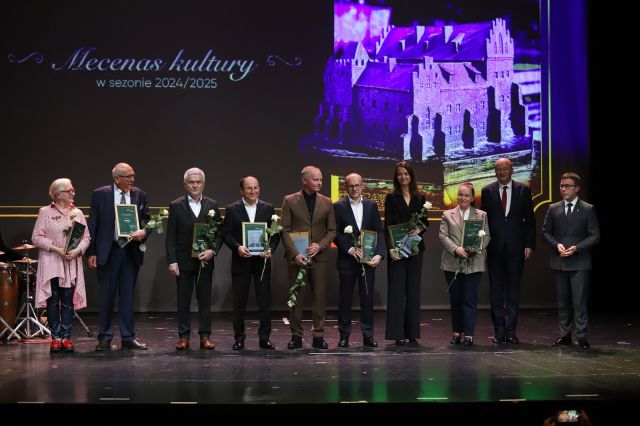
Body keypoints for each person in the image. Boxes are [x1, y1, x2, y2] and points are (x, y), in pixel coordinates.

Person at [87, 162, 150, 351]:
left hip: (130, 252)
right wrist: (92, 251)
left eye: (133, 176)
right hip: (109, 251)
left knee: (128, 297)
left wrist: (144, 232)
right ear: (116, 178)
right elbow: (93, 224)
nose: (132, 179)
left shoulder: (140, 194)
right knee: (106, 297)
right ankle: (105, 338)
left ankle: (128, 337)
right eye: (128, 176)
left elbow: (147, 220)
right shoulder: (100, 194)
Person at [480, 157, 536, 344]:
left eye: (505, 169)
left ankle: (511, 331)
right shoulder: (487, 191)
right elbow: (483, 221)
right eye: (498, 169)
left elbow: (530, 220)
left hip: (516, 248)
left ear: (512, 170)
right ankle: (499, 331)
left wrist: (529, 244)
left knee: (513, 291)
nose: (501, 172)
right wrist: (483, 245)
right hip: (494, 248)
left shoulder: (523, 190)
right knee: (496, 292)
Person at [542, 173, 600, 349]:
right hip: (560, 261)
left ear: (577, 188)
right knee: (563, 302)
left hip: (579, 262)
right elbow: (545, 231)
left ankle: (582, 336)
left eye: (567, 186)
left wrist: (577, 247)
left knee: (579, 301)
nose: (563, 189)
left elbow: (595, 235)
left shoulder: (588, 209)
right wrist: (556, 245)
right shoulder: (554, 208)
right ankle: (565, 335)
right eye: (561, 185)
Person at [281, 165, 336, 350]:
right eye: (315, 179)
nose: (319, 182)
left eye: (321, 179)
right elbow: (284, 230)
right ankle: (296, 336)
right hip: (298, 257)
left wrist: (320, 245)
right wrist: (294, 253)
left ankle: (318, 335)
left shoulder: (327, 202)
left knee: (319, 297)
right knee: (296, 297)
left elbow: (332, 230)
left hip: (318, 257)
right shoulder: (290, 200)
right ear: (304, 180)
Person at [31, 178, 90, 353]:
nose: (73, 193)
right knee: (52, 300)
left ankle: (66, 337)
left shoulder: (77, 213)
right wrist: (57, 249)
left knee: (68, 301)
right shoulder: (45, 212)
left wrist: (77, 250)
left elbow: (86, 237)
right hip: (52, 261)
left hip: (70, 262)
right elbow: (36, 237)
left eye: (73, 190)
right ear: (57, 194)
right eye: (69, 191)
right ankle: (56, 337)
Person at [166, 168, 220, 350]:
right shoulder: (176, 205)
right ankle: (183, 336)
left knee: (205, 300)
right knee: (183, 301)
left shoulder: (212, 205)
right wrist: (172, 260)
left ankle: (205, 336)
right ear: (185, 184)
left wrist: (213, 251)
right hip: (183, 261)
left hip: (205, 260)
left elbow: (218, 234)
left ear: (203, 184)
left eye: (198, 182)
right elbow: (171, 237)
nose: (195, 185)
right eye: (191, 182)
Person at [222, 176, 279, 350]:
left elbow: (275, 234)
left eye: (256, 187)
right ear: (242, 191)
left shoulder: (268, 208)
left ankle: (264, 339)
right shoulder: (232, 209)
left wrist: (270, 249)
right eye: (249, 188)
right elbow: (226, 234)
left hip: (262, 261)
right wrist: (237, 247)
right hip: (241, 261)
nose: (253, 191)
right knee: (239, 302)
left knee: (265, 302)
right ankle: (239, 338)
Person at [333, 173, 385, 348]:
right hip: (347, 261)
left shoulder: (371, 205)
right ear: (346, 187)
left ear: (362, 186)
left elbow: (379, 230)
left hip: (368, 260)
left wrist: (379, 254)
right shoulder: (338, 206)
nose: (354, 188)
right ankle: (344, 336)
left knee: (367, 298)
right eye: (350, 185)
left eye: (357, 185)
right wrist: (350, 249)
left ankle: (368, 336)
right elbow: (335, 233)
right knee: (345, 299)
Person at [438, 183, 490, 347]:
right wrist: (456, 249)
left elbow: (486, 237)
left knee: (469, 299)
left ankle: (468, 334)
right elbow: (443, 236)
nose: (463, 198)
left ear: (472, 197)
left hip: (473, 263)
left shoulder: (481, 215)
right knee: (456, 299)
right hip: (452, 263)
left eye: (466, 195)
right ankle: (456, 333)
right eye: (460, 194)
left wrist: (475, 248)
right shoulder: (447, 214)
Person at [384, 161, 428, 345]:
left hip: (415, 249)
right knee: (396, 292)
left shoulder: (420, 197)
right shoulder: (391, 197)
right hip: (397, 250)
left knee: (413, 291)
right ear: (396, 177)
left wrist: (420, 229)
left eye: (406, 174)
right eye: (400, 174)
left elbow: (425, 222)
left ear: (411, 176)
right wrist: (391, 248)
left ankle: (412, 333)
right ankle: (397, 334)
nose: (403, 177)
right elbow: (387, 224)